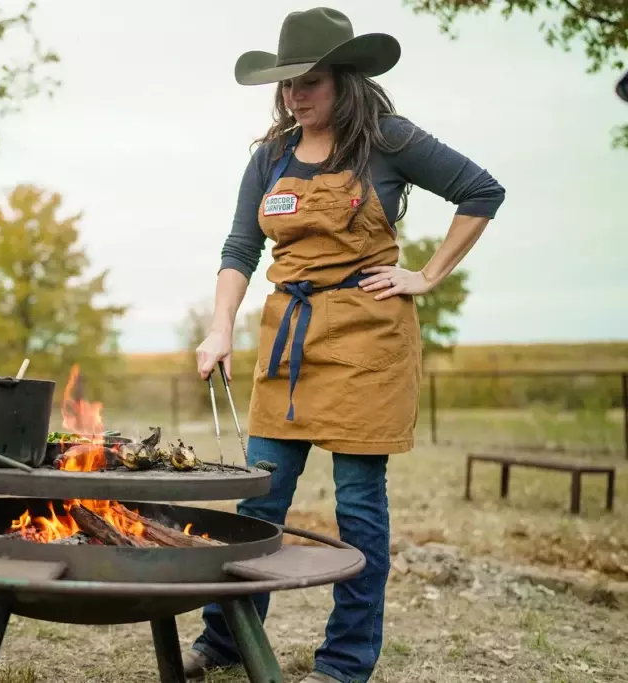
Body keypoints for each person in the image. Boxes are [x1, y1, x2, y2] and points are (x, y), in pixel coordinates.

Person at [185, 8, 505, 683]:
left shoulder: (388, 140)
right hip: (287, 343)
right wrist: (220, 326)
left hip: (368, 341)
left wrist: (426, 275)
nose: (296, 96)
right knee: (258, 501)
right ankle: (225, 639)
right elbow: (240, 247)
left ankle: (344, 663)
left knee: (358, 509)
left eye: (312, 81)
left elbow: (481, 190)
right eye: (287, 85)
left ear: (346, 80)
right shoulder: (270, 155)